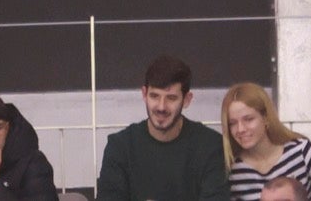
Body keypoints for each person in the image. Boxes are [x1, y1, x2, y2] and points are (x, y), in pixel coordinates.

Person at [96, 55, 229, 201]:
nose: (161, 107)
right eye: (154, 96)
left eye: (171, 98)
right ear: (144, 94)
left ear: (186, 100)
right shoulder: (120, 147)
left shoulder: (211, 146)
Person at [222, 83, 311, 201]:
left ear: (266, 118)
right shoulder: (233, 170)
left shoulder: (301, 151)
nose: (240, 129)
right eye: (232, 123)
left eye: (248, 119)